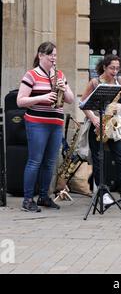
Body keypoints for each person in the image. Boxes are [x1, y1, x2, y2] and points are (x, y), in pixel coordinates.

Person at [17, 41, 74, 212]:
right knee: (35, 161)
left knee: (50, 163)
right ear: (40, 55)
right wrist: (42, 97)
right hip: (37, 122)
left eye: (55, 55)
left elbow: (70, 99)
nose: (53, 59)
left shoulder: (60, 74)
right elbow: (20, 101)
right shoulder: (31, 75)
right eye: (50, 55)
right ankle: (27, 200)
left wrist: (65, 88)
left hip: (55, 123)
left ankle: (43, 196)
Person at [80, 54, 121, 205]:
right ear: (104, 67)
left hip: (114, 123)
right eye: (112, 68)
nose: (115, 71)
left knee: (120, 157)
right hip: (97, 123)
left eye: (117, 68)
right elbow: (83, 103)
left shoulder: (120, 81)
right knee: (99, 159)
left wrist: (120, 105)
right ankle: (102, 193)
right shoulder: (95, 82)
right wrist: (94, 119)